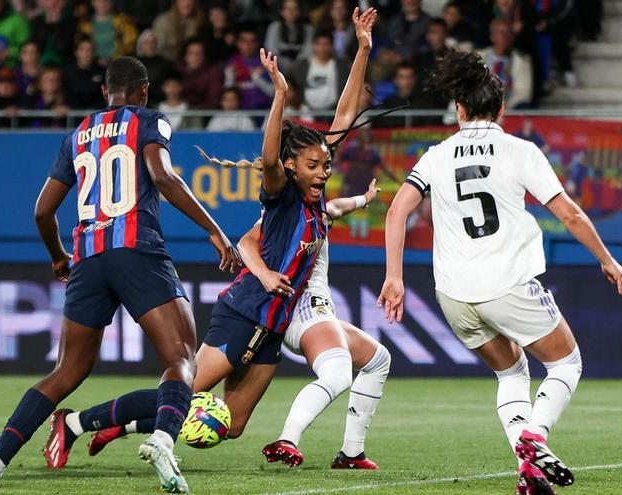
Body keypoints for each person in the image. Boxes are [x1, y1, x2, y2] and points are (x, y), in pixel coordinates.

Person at [34, 6, 380, 465]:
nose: (323, 172)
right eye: (314, 166)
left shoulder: (314, 185)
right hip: (247, 309)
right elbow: (271, 159)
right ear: (295, 166)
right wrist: (280, 95)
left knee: (229, 425)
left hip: (274, 323)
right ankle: (78, 422)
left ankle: (110, 424)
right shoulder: (281, 189)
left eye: (326, 166)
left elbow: (346, 110)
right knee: (183, 391)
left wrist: (362, 49)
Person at [0, 56, 240, 494]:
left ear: (105, 93)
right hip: (136, 250)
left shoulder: (77, 135)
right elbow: (162, 176)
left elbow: (43, 210)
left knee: (66, 372)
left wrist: (59, 257)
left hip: (88, 257)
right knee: (180, 359)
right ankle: (164, 441)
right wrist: (216, 231)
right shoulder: (150, 120)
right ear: (144, 90)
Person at [378, 50, 622, 495]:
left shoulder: (436, 155)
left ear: (459, 110)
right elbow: (569, 214)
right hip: (507, 285)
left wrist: (394, 276)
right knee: (567, 363)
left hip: (452, 295)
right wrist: (607, 259)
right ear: (501, 109)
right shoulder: (519, 151)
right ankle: (535, 437)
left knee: (512, 373)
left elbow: (397, 211)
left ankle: (528, 470)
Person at [254, 178, 391, 469]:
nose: (322, 176)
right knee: (339, 375)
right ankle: (287, 439)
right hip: (302, 306)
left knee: (378, 359)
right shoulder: (286, 216)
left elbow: (335, 208)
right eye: (314, 166)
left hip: (315, 309)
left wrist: (364, 199)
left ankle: (352, 454)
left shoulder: (312, 211)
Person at [479, 18, 533, 109]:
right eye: (501, 33)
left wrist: (504, 109)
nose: (505, 37)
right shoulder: (478, 58)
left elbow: (523, 94)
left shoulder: (522, 61)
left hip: (509, 110)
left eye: (508, 33)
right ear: (492, 36)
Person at [290, 30, 350, 111]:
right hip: (306, 112)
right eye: (319, 44)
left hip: (334, 112)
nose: (322, 48)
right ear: (313, 45)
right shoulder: (303, 65)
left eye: (326, 44)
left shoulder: (341, 66)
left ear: (332, 46)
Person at [224, 25, 274, 110]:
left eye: (252, 41)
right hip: (240, 112)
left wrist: (258, 79)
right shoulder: (232, 62)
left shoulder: (266, 61)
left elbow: (275, 93)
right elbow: (227, 94)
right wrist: (229, 78)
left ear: (257, 43)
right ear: (238, 43)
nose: (248, 45)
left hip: (264, 110)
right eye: (244, 41)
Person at [76, 0, 138, 65]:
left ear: (112, 2)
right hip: (93, 65)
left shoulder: (122, 21)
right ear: (92, 2)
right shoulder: (85, 24)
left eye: (106, 1)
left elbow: (131, 43)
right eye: (98, 1)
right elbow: (80, 47)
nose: (102, 4)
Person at [264, 0, 313, 68]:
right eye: (287, 8)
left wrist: (296, 64)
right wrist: (286, 63)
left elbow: (308, 50)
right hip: (279, 64)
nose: (291, 12)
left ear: (299, 11)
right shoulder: (274, 27)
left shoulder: (308, 29)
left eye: (294, 8)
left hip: (301, 65)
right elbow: (271, 49)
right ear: (281, 11)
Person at [178, 37, 223, 110]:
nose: (195, 57)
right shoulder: (177, 71)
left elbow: (214, 100)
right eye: (191, 53)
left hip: (204, 114)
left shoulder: (213, 72)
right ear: (185, 56)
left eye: (199, 54)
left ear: (204, 56)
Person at [62, 38, 105, 109]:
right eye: (82, 50)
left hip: (95, 115)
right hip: (74, 116)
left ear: (94, 53)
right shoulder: (67, 72)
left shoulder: (101, 72)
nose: (86, 54)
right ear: (76, 52)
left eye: (89, 50)